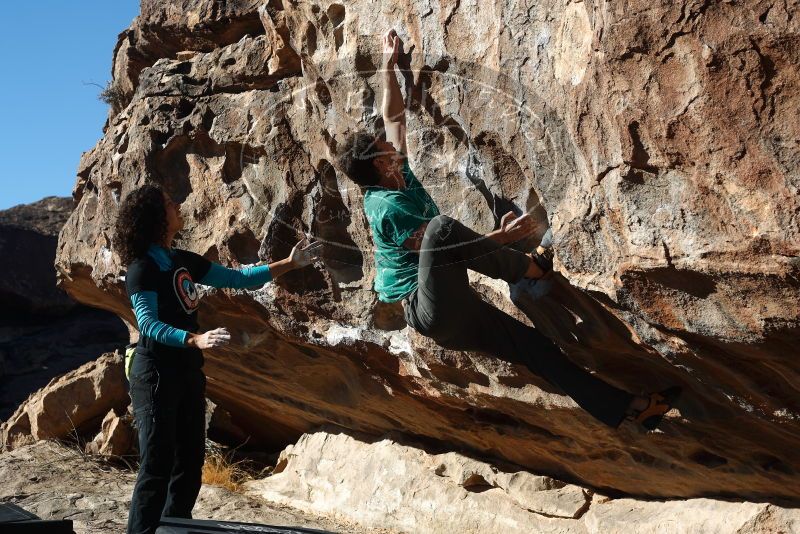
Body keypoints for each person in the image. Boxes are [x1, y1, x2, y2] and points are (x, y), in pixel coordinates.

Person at [335, 29, 680, 431]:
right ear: (379, 164)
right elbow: (443, 246)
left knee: (537, 349)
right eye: (382, 147)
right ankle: (530, 268)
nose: (390, 143)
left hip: (455, 306)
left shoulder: (398, 174)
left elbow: (394, 116)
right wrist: (501, 241)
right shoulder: (385, 206)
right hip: (429, 308)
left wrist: (390, 66)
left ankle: (631, 409)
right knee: (442, 229)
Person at [114, 184, 321, 534]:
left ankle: (175, 528)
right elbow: (148, 324)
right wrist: (194, 339)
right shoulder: (141, 269)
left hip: (187, 372)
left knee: (190, 463)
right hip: (155, 376)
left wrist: (289, 263)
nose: (176, 205)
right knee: (156, 465)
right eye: (168, 203)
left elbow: (239, 278)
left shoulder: (181, 260)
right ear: (155, 218)